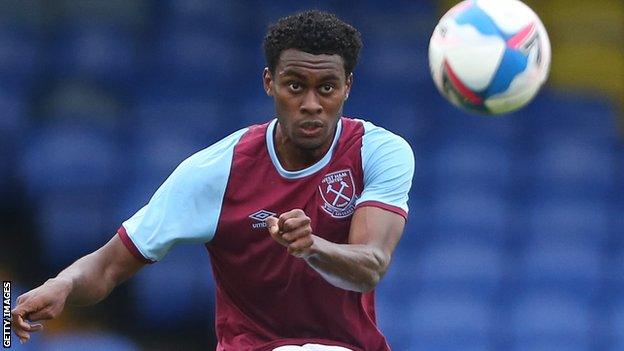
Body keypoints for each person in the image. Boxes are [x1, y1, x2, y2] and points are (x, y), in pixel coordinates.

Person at [12, 10, 414, 351]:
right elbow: (106, 267)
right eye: (295, 86)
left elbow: (371, 264)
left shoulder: (379, 153)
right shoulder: (216, 172)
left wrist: (312, 247)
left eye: (326, 88)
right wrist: (61, 284)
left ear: (347, 88)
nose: (311, 104)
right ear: (269, 82)